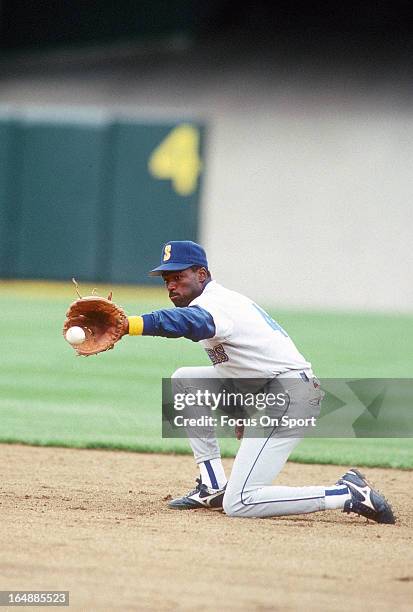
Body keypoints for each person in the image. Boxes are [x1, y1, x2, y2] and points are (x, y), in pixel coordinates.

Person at [123, 240, 395, 524]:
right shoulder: (219, 301)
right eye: (167, 280)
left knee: (240, 502)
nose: (171, 286)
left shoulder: (214, 304)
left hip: (291, 396)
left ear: (201, 274)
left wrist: (131, 325)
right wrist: (243, 405)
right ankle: (212, 485)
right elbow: (251, 361)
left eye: (178, 277)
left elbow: (188, 323)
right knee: (185, 381)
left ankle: (346, 493)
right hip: (277, 388)